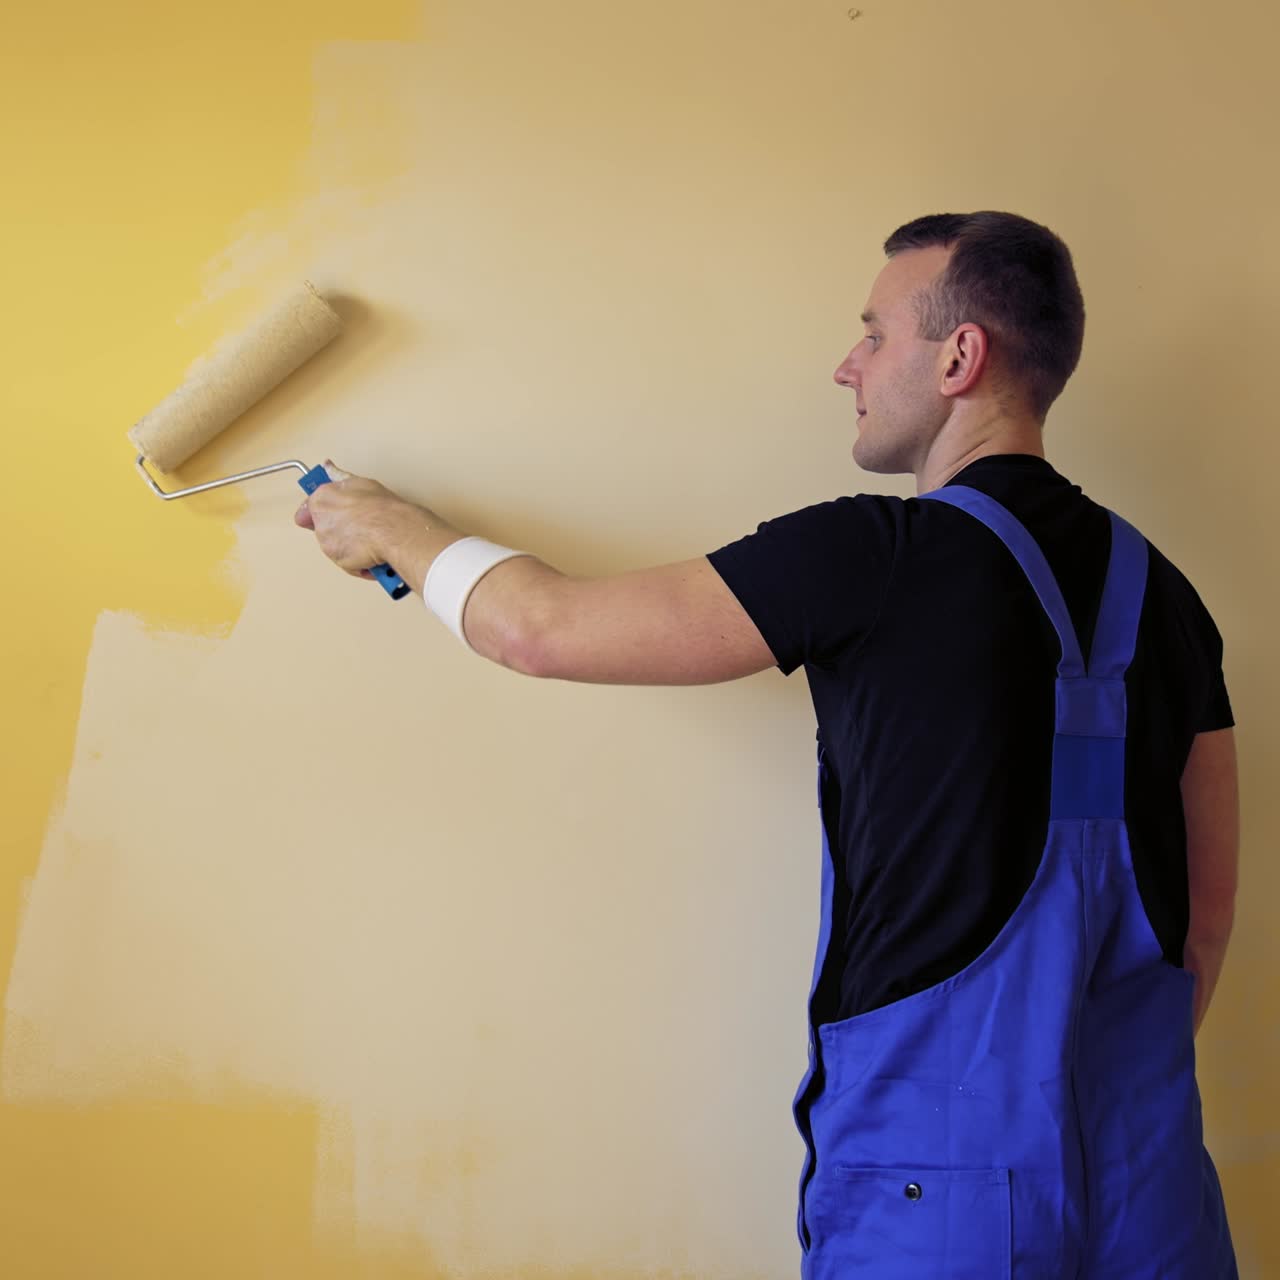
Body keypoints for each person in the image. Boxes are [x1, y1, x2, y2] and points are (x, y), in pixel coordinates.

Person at [296, 211, 1240, 1278]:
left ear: (958, 356)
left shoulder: (872, 552)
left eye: (873, 333)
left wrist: (388, 528)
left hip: (941, 1204)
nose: (847, 363)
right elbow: (1200, 925)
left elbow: (540, 628)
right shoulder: (1166, 596)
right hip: (1149, 1190)